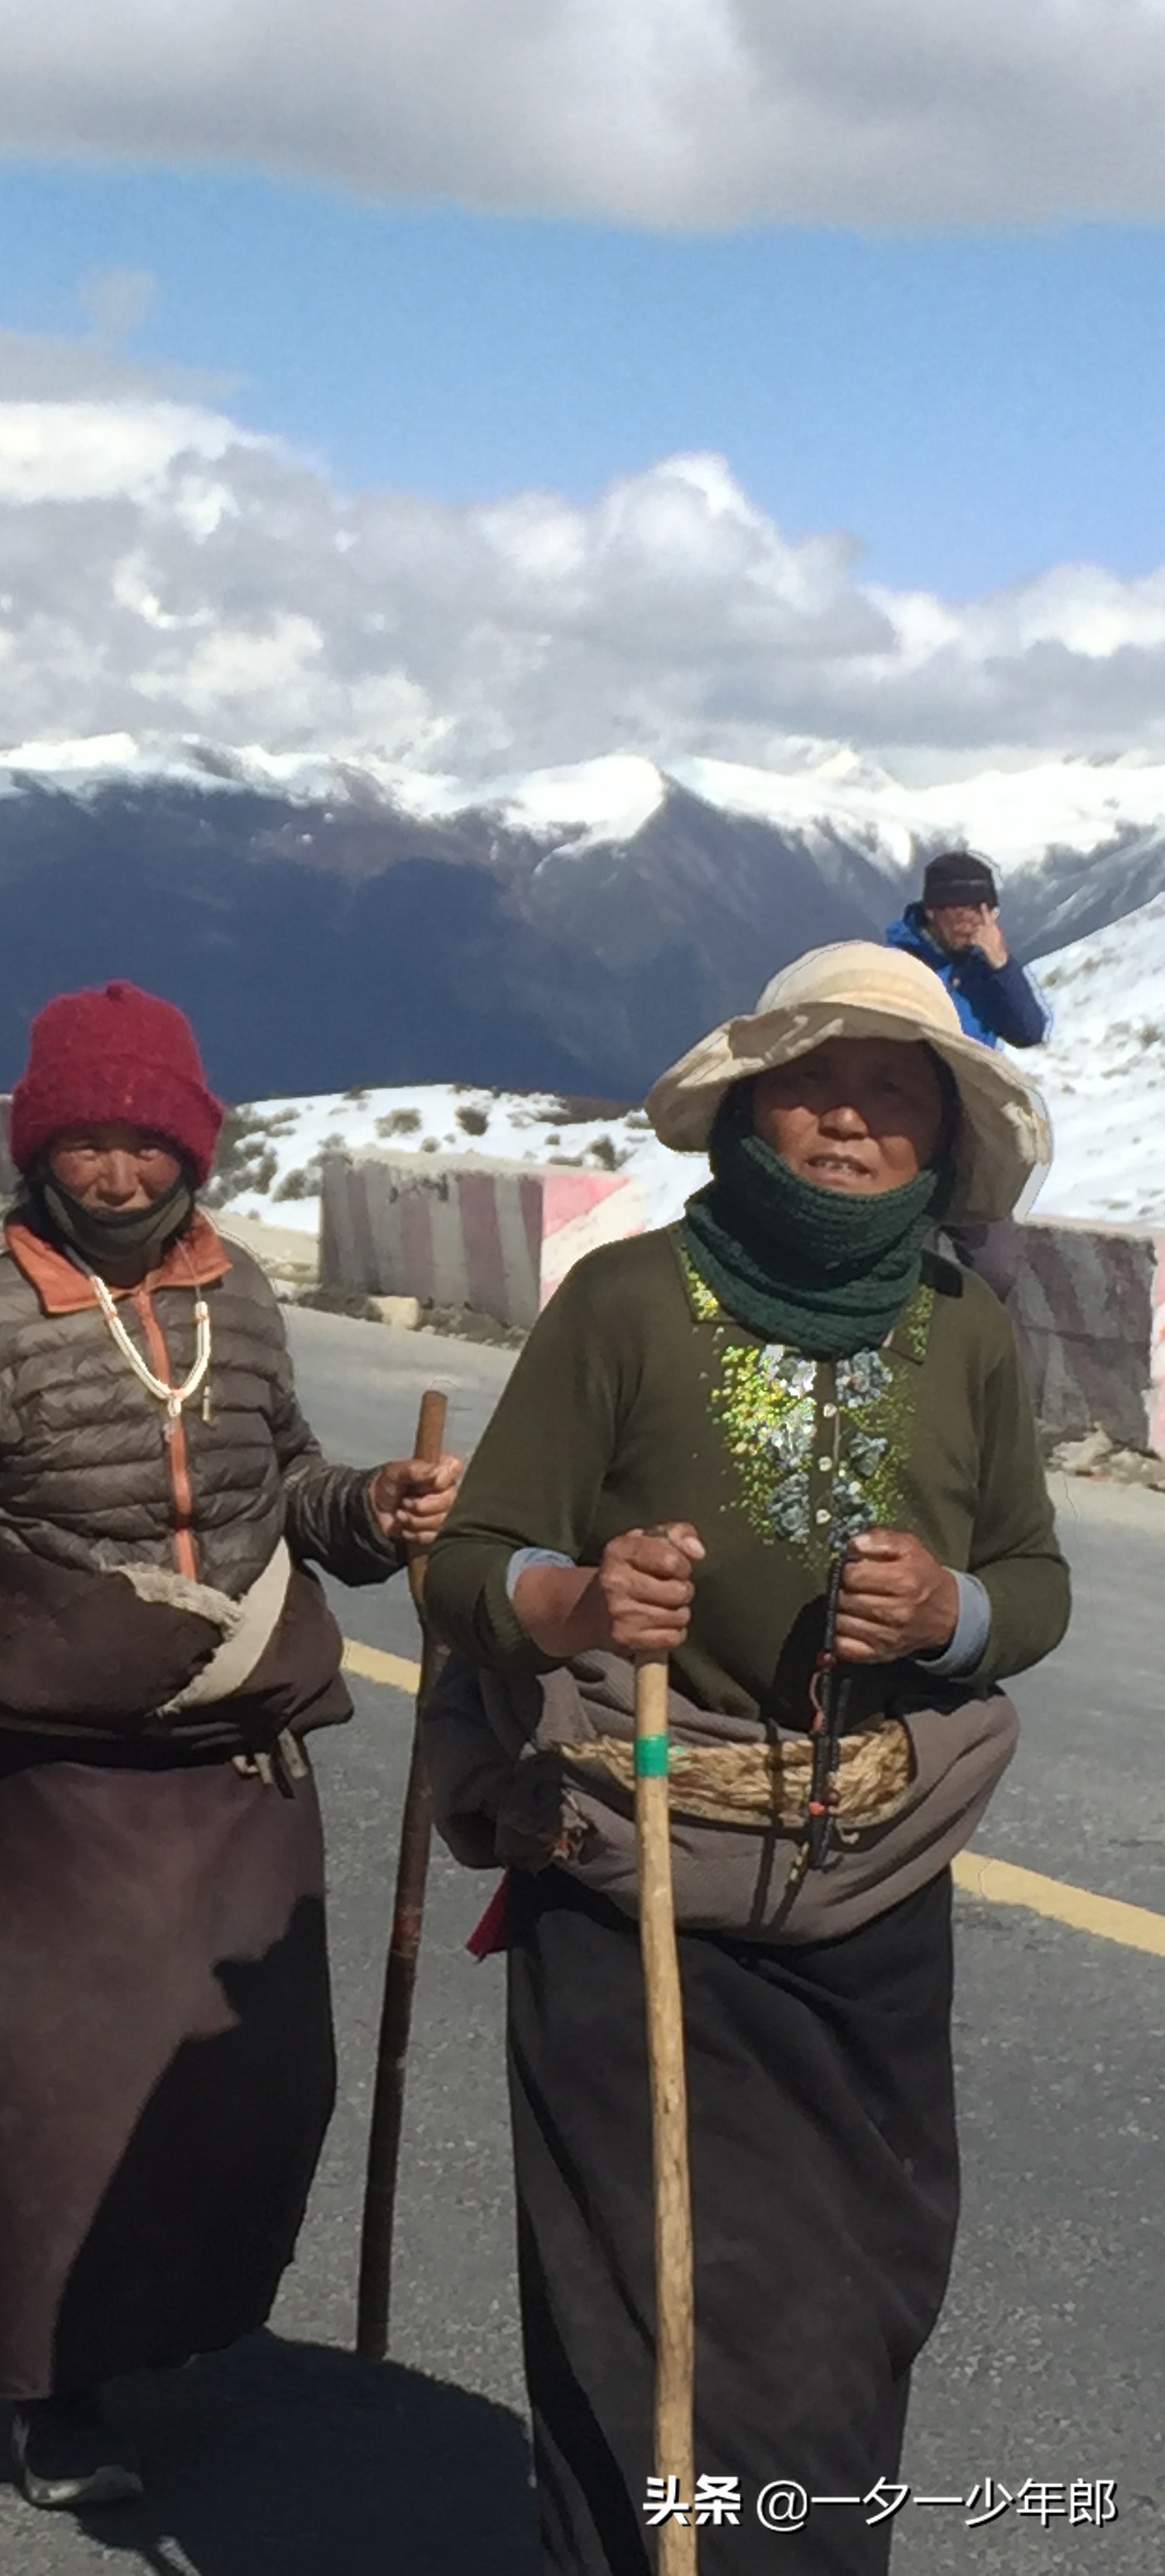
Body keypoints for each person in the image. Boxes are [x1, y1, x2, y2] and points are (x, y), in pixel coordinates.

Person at [421, 942, 1068, 2576]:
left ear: (940, 1138)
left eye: (892, 1094)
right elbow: (465, 1563)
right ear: (750, 1111)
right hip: (634, 1883)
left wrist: (951, 1609)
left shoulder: (966, 1330)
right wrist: (569, 1595)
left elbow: (1039, 1591)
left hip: (872, 1900)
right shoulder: (629, 1302)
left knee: (856, 2306)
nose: (848, 1124)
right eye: (813, 1087)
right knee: (646, 2320)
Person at [0, 979, 461, 2511]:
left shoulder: (236, 1297)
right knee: (59, 2107)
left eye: (141, 1140)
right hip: (54, 1789)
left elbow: (286, 1491)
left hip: (240, 1777)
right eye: (84, 1142)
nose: (113, 1172)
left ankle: (173, 2320)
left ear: (193, 1146)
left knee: (252, 2086)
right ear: (38, 1146)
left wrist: (372, 1509)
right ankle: (52, 2383)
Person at [885, 849, 1048, 1047]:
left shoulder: (984, 975)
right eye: (962, 911)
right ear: (932, 911)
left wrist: (1002, 966)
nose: (973, 922)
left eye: (984, 910)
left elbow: (1029, 1033)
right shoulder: (895, 966)